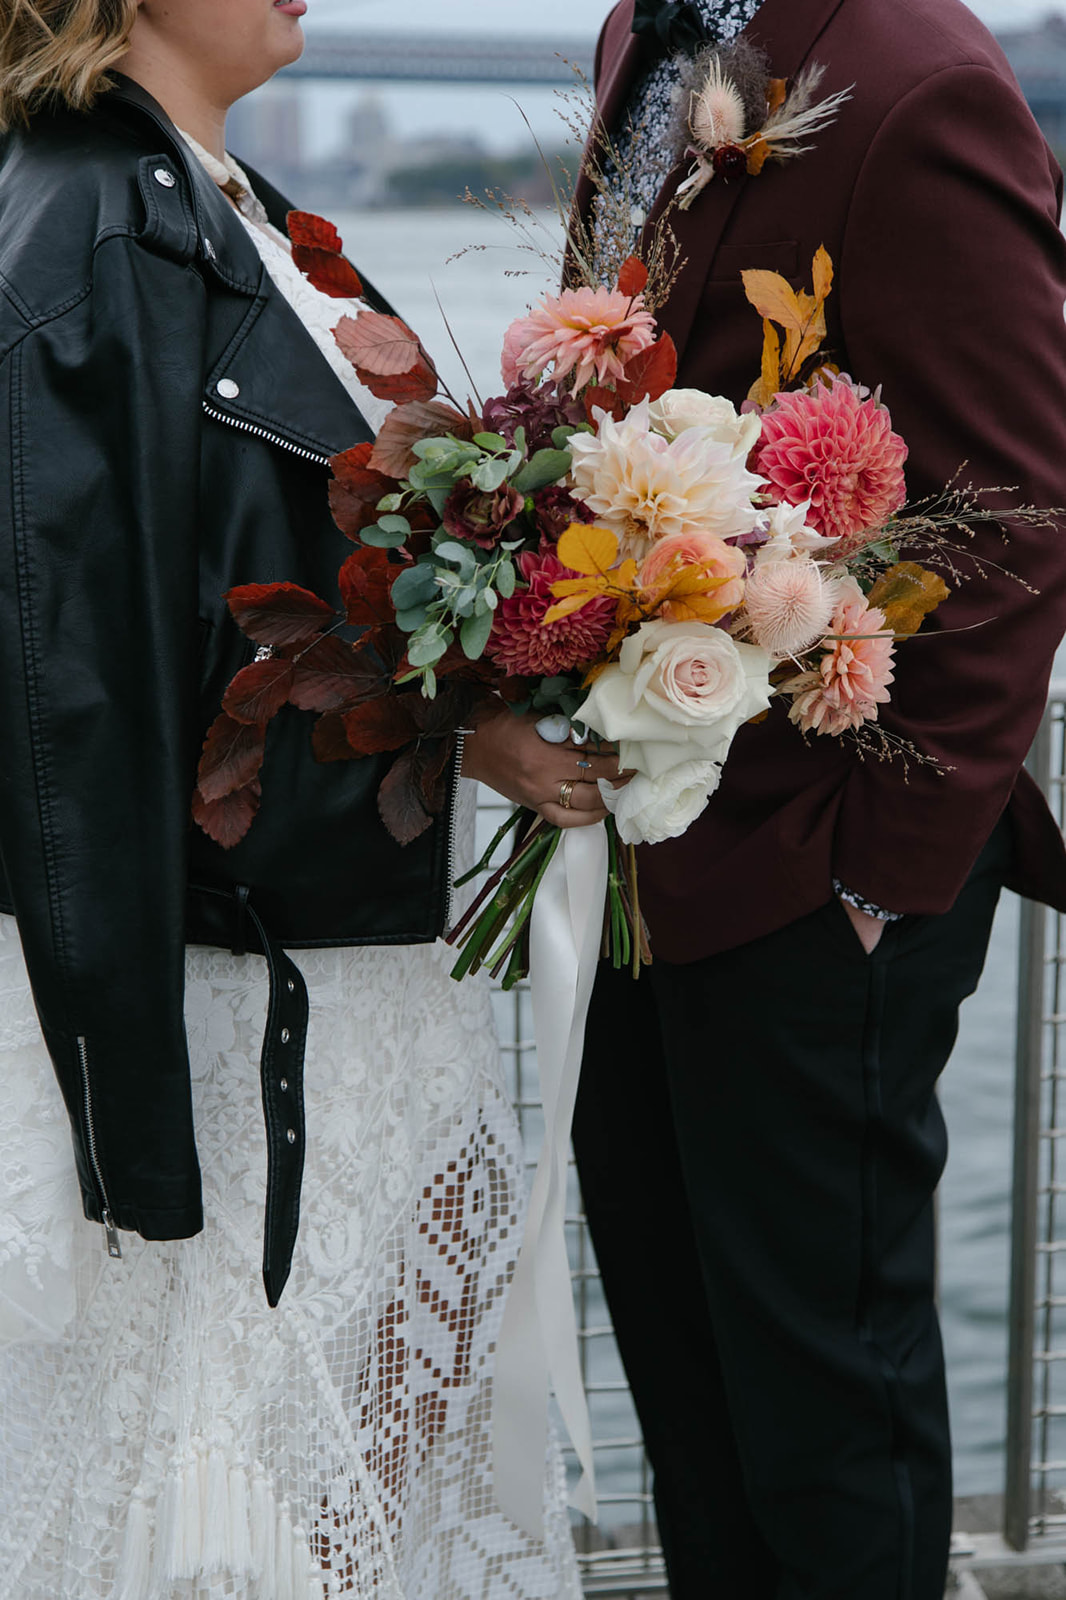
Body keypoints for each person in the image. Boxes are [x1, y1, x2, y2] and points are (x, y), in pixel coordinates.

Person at [0, 2, 617, 1596]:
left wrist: (474, 716)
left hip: (340, 972)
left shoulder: (242, 216)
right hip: (228, 1005)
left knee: (363, 1478)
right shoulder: (81, 229)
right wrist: (128, 1133)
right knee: (212, 1501)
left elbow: (262, 600)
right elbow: (69, 689)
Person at [571, 2, 1066, 1597]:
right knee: (685, 1378)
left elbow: (1019, 515)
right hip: (648, 855)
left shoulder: (918, 81)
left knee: (820, 1414)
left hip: (817, 872)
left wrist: (876, 883)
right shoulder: (634, 36)